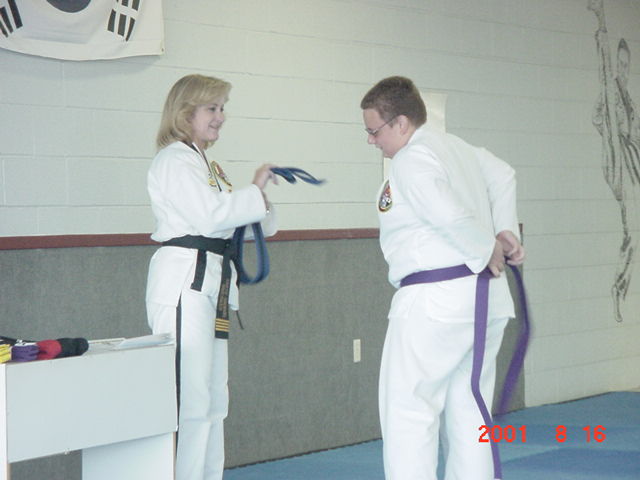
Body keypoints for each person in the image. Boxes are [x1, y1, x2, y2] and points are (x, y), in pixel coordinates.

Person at [360, 76, 524, 480]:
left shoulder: (411, 159)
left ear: (401, 123)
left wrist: (486, 246)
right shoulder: (459, 149)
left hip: (434, 303)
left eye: (374, 131)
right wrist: (505, 229)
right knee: (471, 413)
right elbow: (504, 174)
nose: (371, 140)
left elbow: (444, 211)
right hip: (484, 301)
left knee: (409, 413)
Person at [145, 74, 278, 480]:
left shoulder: (207, 165)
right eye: (212, 108)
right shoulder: (174, 160)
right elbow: (210, 216)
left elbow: (245, 222)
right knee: (190, 399)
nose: (221, 116)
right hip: (184, 283)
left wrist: (259, 199)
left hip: (213, 284)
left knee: (214, 399)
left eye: (222, 108)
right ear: (186, 113)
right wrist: (253, 192)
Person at [589, 0, 640, 322]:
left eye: (626, 65)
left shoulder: (631, 101)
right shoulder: (611, 92)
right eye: (619, 64)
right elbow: (598, 115)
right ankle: (601, 18)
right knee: (633, 229)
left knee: (634, 232)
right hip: (617, 157)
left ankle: (619, 289)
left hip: (633, 163)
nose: (622, 69)